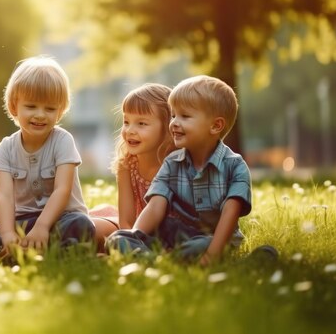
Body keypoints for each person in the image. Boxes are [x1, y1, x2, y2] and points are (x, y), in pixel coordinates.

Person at [106, 75, 252, 266]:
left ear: (215, 125)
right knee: (117, 239)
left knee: (199, 245)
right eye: (173, 115)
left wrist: (212, 254)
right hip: (172, 236)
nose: (174, 122)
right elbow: (155, 206)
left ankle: (159, 261)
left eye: (184, 116)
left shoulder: (235, 167)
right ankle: (164, 260)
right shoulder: (172, 163)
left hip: (212, 239)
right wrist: (136, 236)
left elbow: (230, 216)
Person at [0, 56, 95, 257]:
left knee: (81, 225)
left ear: (59, 112)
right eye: (31, 106)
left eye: (50, 108)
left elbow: (63, 189)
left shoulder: (63, 140)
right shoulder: (5, 148)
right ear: (15, 107)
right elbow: (5, 196)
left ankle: (36, 250)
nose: (40, 114)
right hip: (22, 220)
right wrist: (7, 234)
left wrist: (42, 226)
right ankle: (14, 248)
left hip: (60, 218)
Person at [90, 83, 175, 251]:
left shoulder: (177, 165)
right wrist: (129, 245)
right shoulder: (127, 165)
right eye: (126, 121)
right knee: (87, 229)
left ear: (167, 127)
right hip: (132, 230)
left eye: (141, 123)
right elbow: (126, 221)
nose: (130, 130)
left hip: (168, 234)